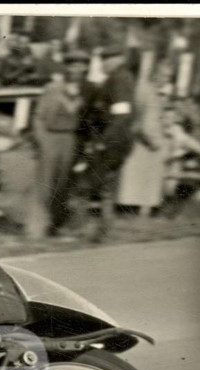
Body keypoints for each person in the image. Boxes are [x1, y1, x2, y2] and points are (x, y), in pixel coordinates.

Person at [30, 50, 91, 237]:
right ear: (66, 67)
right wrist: (42, 140)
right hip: (51, 136)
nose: (76, 70)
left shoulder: (88, 90)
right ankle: (37, 227)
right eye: (72, 65)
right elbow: (38, 116)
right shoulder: (53, 88)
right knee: (45, 182)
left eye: (81, 65)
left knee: (64, 183)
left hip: (71, 138)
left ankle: (58, 225)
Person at [81, 45, 136, 242]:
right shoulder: (119, 77)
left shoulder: (119, 78)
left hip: (113, 139)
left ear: (116, 60)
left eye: (105, 59)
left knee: (98, 185)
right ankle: (101, 231)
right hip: (114, 138)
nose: (102, 64)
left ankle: (98, 231)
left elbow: (122, 114)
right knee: (103, 185)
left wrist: (104, 141)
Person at [116, 52, 166, 216]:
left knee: (133, 178)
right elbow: (147, 122)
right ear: (155, 74)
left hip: (137, 138)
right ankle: (135, 209)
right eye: (164, 75)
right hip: (144, 142)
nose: (166, 80)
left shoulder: (143, 88)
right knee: (140, 178)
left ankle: (130, 207)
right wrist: (155, 142)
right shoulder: (149, 92)